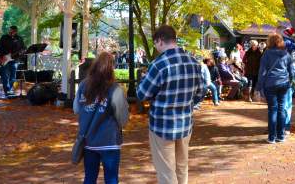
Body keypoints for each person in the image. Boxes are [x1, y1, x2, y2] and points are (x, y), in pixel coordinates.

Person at [137, 25, 204, 184]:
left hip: (162, 125)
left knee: (166, 172)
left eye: (155, 43)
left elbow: (142, 94)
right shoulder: (194, 62)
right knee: (182, 166)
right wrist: (186, 104)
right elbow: (200, 93)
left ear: (160, 41)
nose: (155, 47)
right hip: (185, 123)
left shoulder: (158, 64)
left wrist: (144, 80)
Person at [74, 52, 129, 184]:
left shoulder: (83, 85)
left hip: (88, 140)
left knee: (89, 178)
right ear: (111, 68)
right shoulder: (115, 88)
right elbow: (122, 118)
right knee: (111, 179)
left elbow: (76, 109)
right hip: (110, 141)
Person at [256, 33, 292, 143]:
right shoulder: (286, 54)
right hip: (284, 83)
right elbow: (290, 70)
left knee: (272, 110)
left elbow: (262, 72)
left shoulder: (267, 54)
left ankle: (271, 137)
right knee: (281, 109)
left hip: (270, 84)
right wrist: (289, 81)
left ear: (270, 42)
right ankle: (280, 136)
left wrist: (258, 87)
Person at [0, 25, 26, 96]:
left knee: (13, 76)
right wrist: (1, 56)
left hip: (14, 60)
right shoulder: (4, 38)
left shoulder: (19, 39)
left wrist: (23, 51)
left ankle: (9, 90)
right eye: (10, 31)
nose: (10, 32)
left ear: (16, 31)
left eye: (12, 31)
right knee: (5, 76)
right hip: (4, 59)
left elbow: (24, 47)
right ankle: (7, 91)